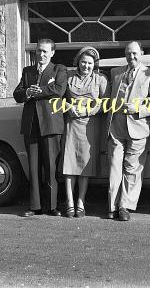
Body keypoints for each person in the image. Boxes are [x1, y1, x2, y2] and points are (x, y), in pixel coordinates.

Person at [13, 38, 67, 217]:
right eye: (38, 51)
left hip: (51, 124)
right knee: (34, 168)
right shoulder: (27, 71)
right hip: (31, 125)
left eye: (45, 51)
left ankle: (52, 206)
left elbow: (59, 90)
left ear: (52, 53)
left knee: (51, 167)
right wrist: (27, 92)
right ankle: (34, 206)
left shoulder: (59, 69)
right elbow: (17, 93)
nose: (41, 55)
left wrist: (40, 91)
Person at [106, 41, 150, 221]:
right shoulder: (116, 73)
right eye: (128, 53)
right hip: (116, 125)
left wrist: (137, 110)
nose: (132, 57)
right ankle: (111, 206)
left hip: (138, 126)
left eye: (135, 53)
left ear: (141, 53)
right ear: (125, 54)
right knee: (114, 166)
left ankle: (124, 206)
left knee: (132, 167)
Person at [62, 46, 110, 218]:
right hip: (71, 124)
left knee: (84, 164)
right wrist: (67, 107)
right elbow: (58, 98)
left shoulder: (101, 80)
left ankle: (80, 202)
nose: (86, 66)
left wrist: (89, 111)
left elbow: (106, 103)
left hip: (90, 124)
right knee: (69, 163)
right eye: (83, 62)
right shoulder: (68, 78)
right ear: (78, 62)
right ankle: (68, 201)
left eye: (89, 63)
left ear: (94, 64)